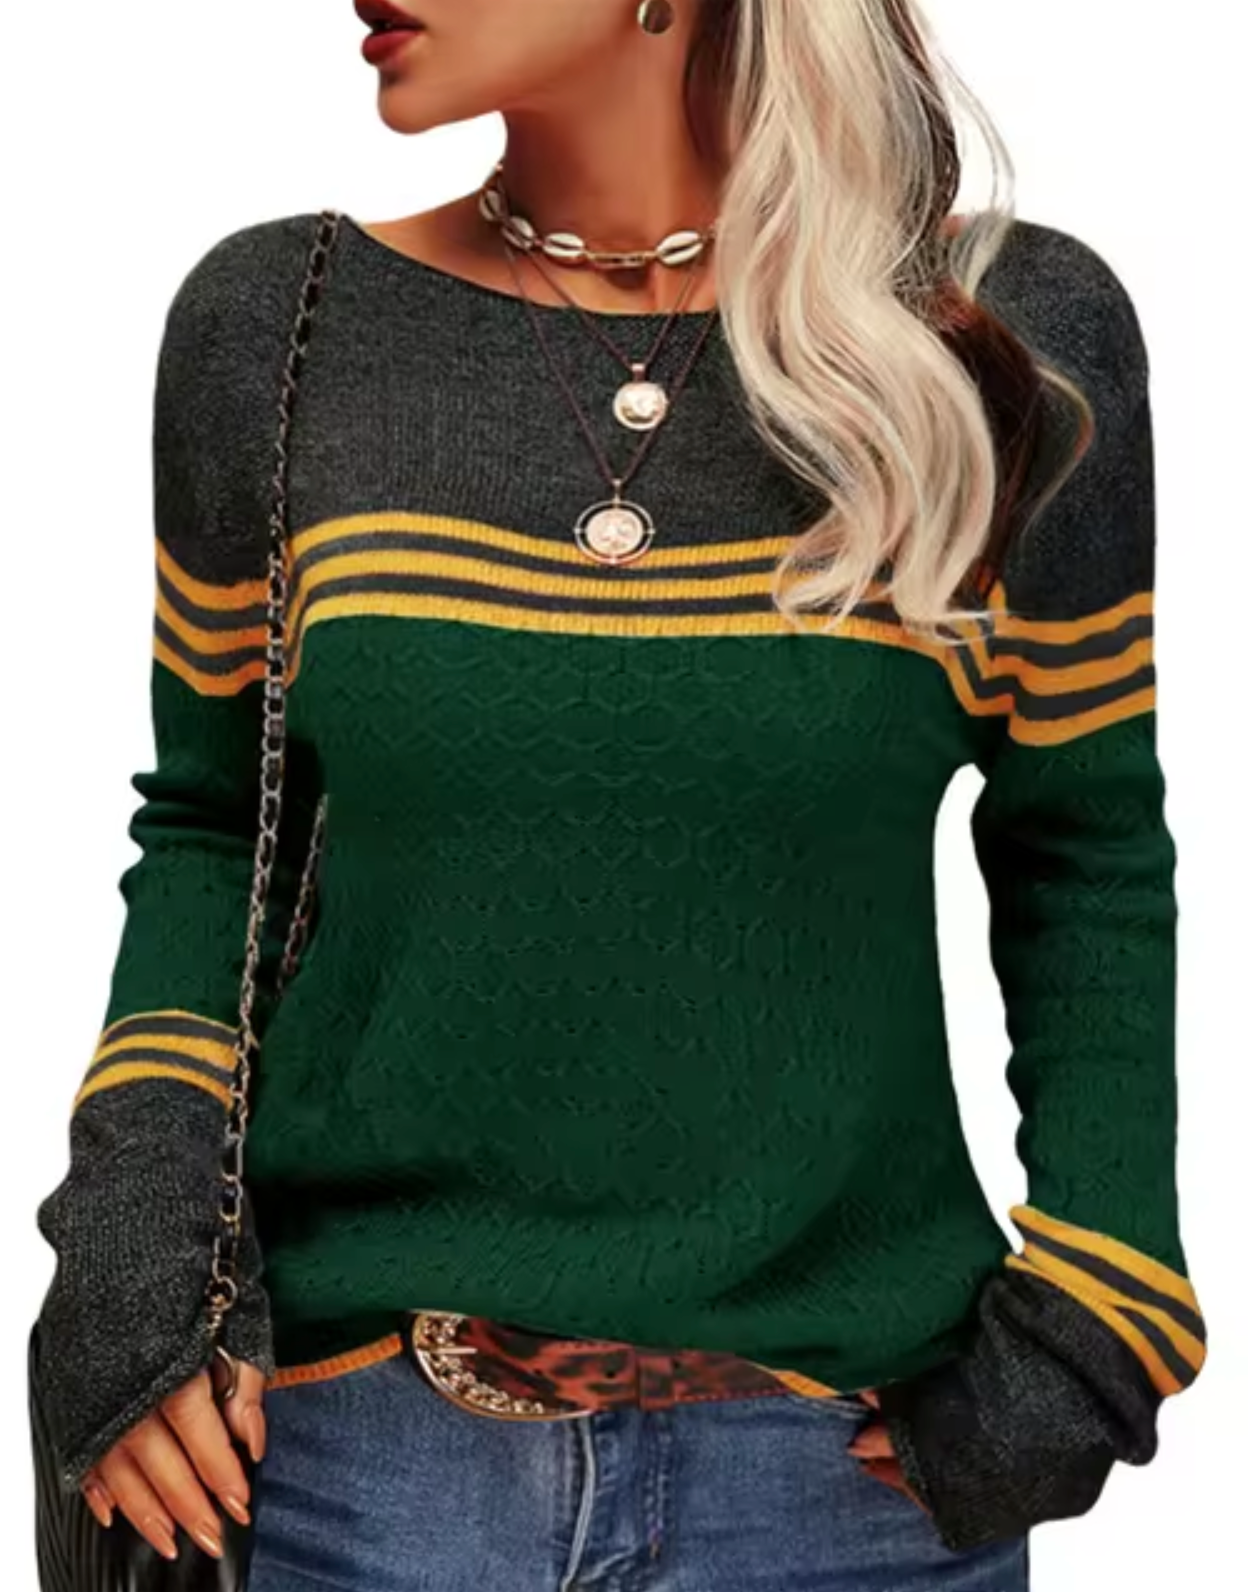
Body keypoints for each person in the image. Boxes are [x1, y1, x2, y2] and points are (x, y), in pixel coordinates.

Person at [30, 2, 1206, 1588]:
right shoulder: (281, 326)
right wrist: (127, 1254)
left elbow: (1085, 851)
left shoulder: (1000, 335)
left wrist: (1108, 1301)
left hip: (851, 1495)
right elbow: (212, 827)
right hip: (351, 1472)